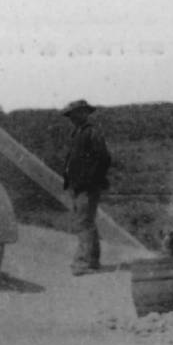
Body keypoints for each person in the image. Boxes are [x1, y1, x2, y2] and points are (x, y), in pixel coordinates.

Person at [61, 99, 112, 276]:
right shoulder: (77, 134)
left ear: (85, 113)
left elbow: (104, 158)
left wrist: (90, 180)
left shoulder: (92, 133)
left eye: (76, 114)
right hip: (77, 185)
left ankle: (85, 262)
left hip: (87, 186)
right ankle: (92, 260)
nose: (72, 118)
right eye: (71, 115)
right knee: (85, 222)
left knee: (83, 222)